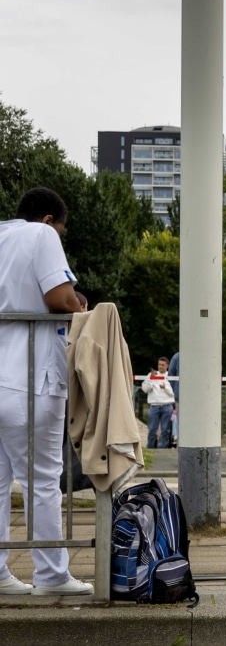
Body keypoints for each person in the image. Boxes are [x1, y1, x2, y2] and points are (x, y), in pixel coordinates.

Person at [0, 186, 93, 596]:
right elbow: (59, 297)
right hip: (30, 378)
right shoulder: (43, 235)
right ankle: (52, 576)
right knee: (41, 480)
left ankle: (0, 574)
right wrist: (78, 303)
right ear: (48, 220)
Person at [141, 356, 175, 449]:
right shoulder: (151, 375)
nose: (160, 367)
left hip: (167, 405)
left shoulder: (170, 376)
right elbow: (145, 389)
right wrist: (151, 379)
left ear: (167, 366)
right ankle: (150, 447)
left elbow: (174, 393)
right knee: (152, 428)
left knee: (165, 429)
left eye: (163, 365)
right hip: (154, 405)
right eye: (159, 364)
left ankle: (162, 448)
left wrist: (166, 388)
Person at [168, 351, 181, 447]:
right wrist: (174, 392)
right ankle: (179, 445)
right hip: (179, 397)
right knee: (180, 422)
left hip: (196, 399)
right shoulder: (177, 357)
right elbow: (171, 376)